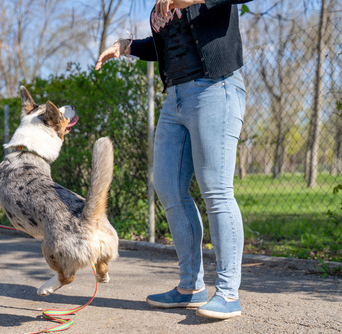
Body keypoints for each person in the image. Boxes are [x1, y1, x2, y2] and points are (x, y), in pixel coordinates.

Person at [95, 0, 252, 320]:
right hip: (175, 98)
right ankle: (190, 286)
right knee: (167, 184)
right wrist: (125, 46)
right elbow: (164, 45)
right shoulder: (158, 5)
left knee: (216, 189)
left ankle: (228, 292)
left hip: (216, 89)